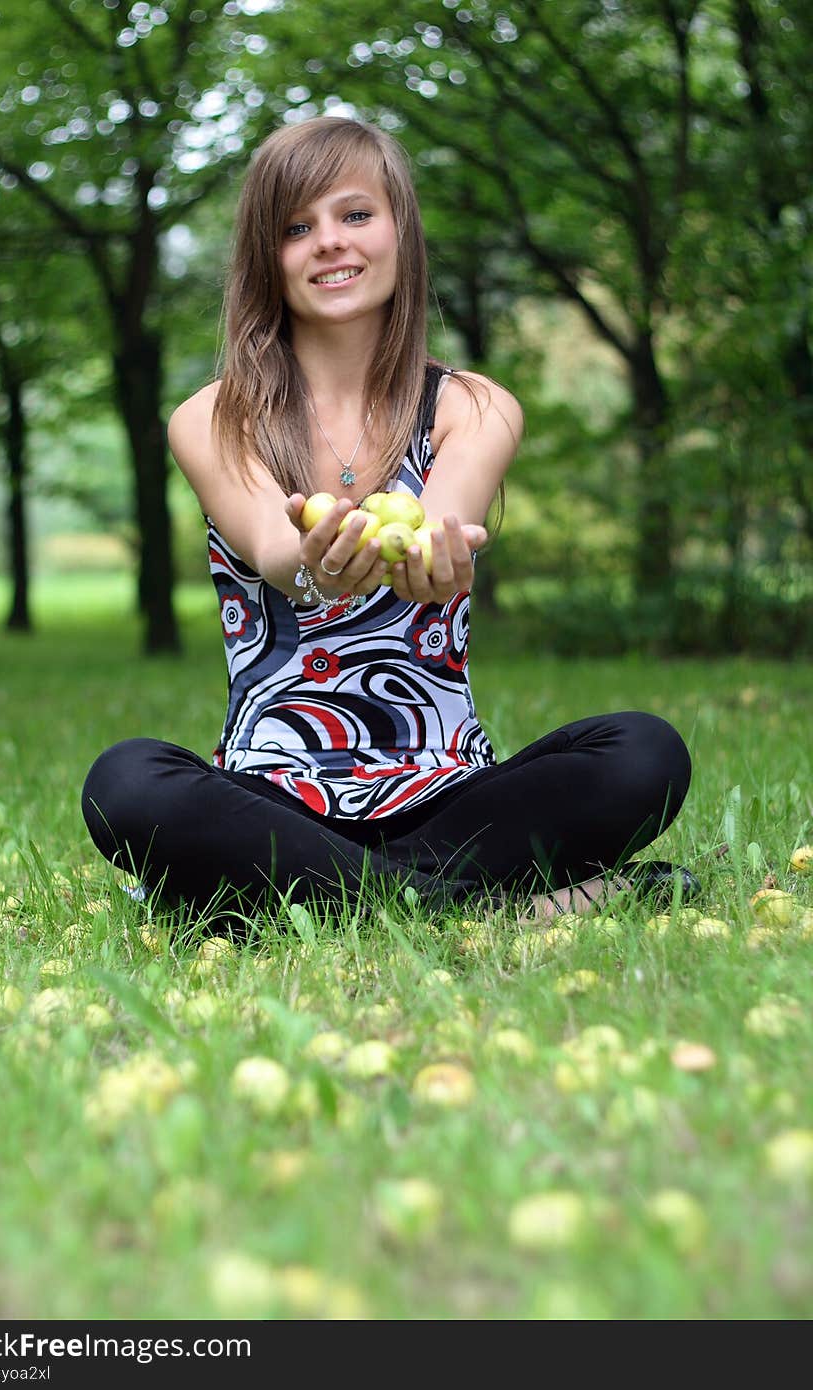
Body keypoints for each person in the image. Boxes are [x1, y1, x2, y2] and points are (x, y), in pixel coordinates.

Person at [81, 116, 697, 933]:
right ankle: (492, 908)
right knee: (124, 783)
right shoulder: (214, 415)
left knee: (645, 753)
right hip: (272, 799)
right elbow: (272, 547)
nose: (329, 243)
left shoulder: (473, 405)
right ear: (267, 259)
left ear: (401, 229)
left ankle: (277, 904)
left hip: (448, 795)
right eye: (297, 228)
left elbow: (445, 516)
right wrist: (314, 567)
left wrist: (435, 557)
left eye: (355, 215)